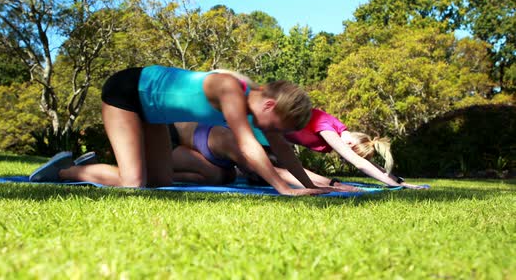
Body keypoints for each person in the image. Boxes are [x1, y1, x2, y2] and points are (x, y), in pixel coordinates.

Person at [29, 65, 327, 196]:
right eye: (279, 126)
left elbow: (284, 150)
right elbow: (247, 145)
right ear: (270, 106)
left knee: (159, 181)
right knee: (133, 183)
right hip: (128, 92)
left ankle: (90, 169)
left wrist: (310, 185)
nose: (277, 134)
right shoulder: (231, 90)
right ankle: (68, 171)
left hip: (154, 112)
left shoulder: (258, 105)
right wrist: (284, 189)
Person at [168, 108, 428, 190]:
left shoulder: (340, 128)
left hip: (267, 137)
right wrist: (396, 186)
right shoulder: (329, 129)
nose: (346, 155)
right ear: (352, 142)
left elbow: (364, 160)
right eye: (351, 150)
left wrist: (395, 179)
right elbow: (358, 163)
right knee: (272, 169)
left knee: (235, 174)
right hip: (250, 129)